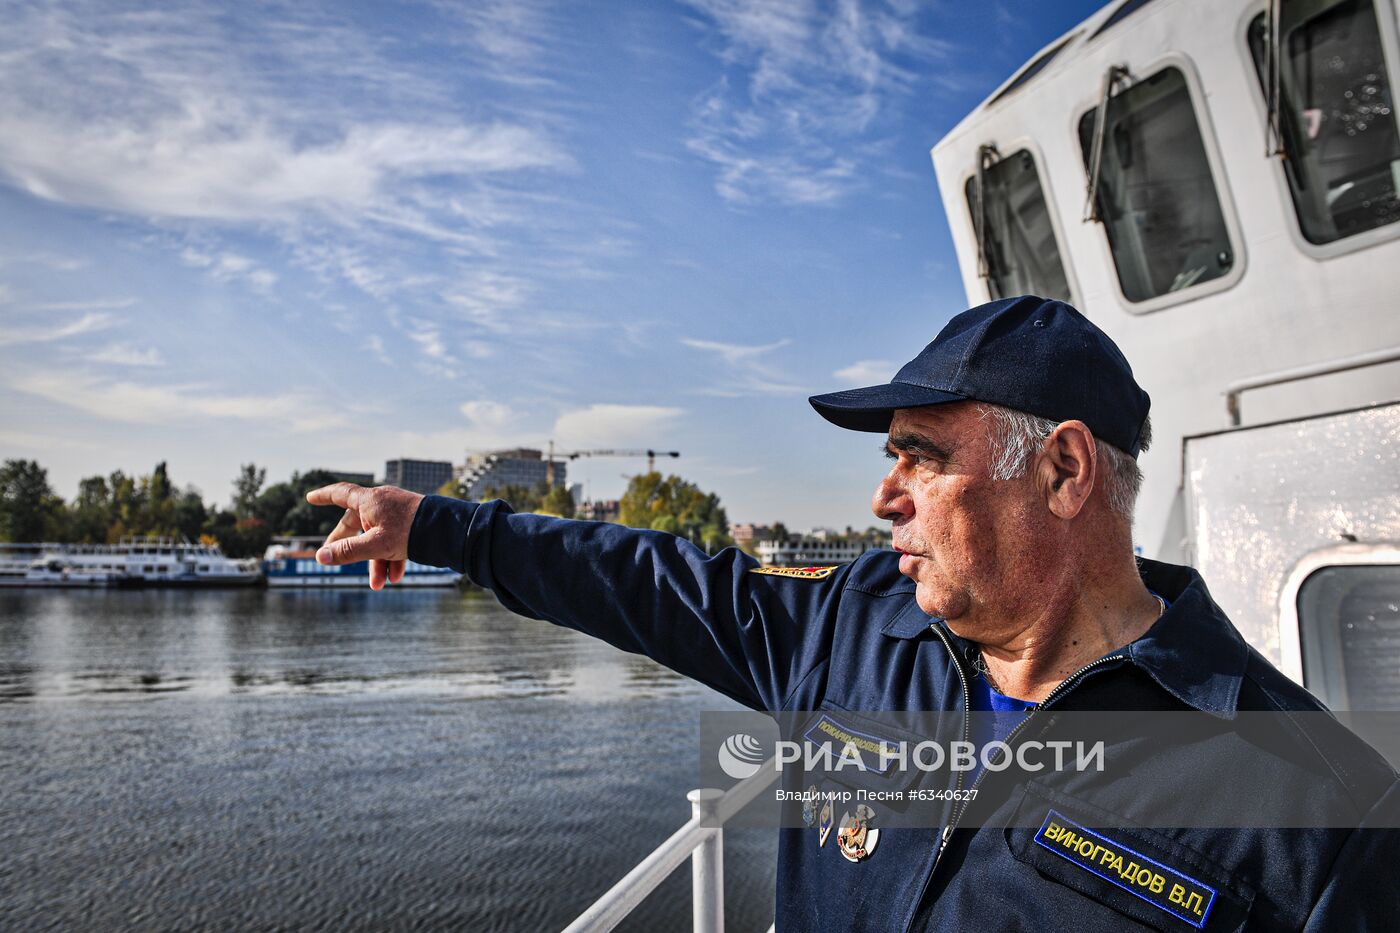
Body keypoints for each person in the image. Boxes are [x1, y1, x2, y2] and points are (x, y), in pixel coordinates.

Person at [307, 296, 1399, 931]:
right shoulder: (850, 630)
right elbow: (644, 580)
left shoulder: (1310, 808)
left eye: (919, 458)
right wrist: (437, 526)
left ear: (1061, 472)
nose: (881, 497)